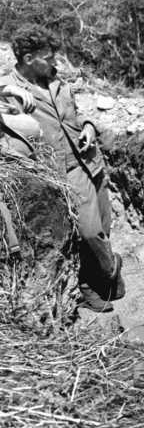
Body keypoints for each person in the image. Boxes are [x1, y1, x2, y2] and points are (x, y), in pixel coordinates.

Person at [0, 24, 125, 313]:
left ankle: (98, 283)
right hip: (62, 171)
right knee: (90, 232)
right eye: (48, 58)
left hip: (91, 162)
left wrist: (90, 127)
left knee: (102, 229)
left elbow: (78, 112)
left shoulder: (57, 81)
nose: (55, 63)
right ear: (29, 58)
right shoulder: (10, 87)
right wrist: (5, 90)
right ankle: (101, 278)